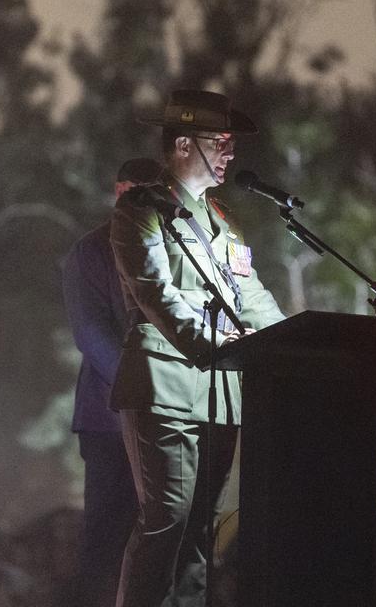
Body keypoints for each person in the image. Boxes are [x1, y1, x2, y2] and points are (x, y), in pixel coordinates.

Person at [110, 89, 286, 607]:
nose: (231, 153)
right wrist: (219, 345)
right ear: (184, 145)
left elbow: (251, 296)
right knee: (168, 519)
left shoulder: (222, 222)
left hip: (222, 392)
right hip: (166, 383)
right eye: (221, 142)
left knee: (201, 532)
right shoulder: (140, 211)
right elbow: (155, 293)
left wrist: (292, 348)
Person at [63, 157, 165, 607]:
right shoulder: (91, 251)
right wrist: (141, 386)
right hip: (110, 419)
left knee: (162, 539)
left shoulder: (170, 248)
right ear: (119, 193)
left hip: (166, 415)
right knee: (106, 537)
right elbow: (89, 333)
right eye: (133, 192)